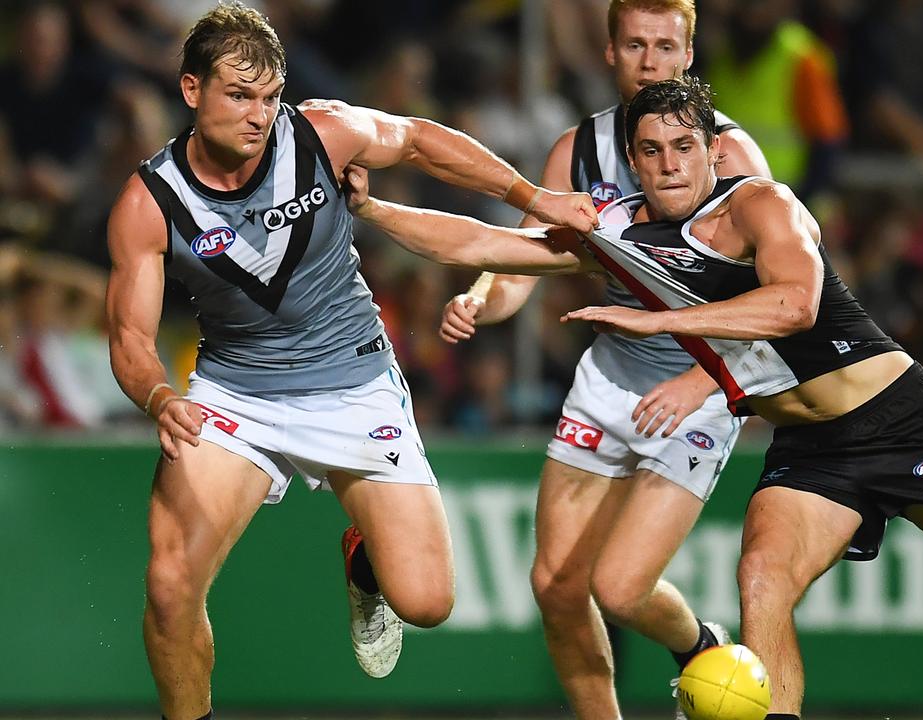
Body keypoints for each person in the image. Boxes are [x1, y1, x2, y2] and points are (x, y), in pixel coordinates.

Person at [343, 74, 923, 719]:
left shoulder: (761, 206)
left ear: (713, 150)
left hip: (895, 417)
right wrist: (375, 211)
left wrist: (665, 337)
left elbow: (797, 305)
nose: (671, 165)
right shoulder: (625, 233)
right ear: (632, 161)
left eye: (686, 148)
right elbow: (485, 241)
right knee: (762, 584)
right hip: (808, 448)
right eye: (652, 152)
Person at [103, 4, 596, 719]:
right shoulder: (149, 204)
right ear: (190, 90)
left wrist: (535, 197)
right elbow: (128, 338)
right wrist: (158, 396)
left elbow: (423, 142)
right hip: (237, 398)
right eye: (239, 96)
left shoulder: (320, 134)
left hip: (354, 380)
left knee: (426, 602)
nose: (257, 116)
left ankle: (365, 558)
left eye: (269, 98)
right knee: (171, 584)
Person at [399, 2, 769, 718]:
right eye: (636, 43)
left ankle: (698, 642)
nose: (651, 59)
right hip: (613, 371)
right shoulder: (578, 151)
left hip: (703, 378)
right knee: (556, 585)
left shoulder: (731, 155)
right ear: (609, 53)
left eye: (666, 45)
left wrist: (709, 380)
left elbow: (779, 295)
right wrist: (481, 301)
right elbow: (521, 261)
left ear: (689, 55)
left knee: (621, 588)